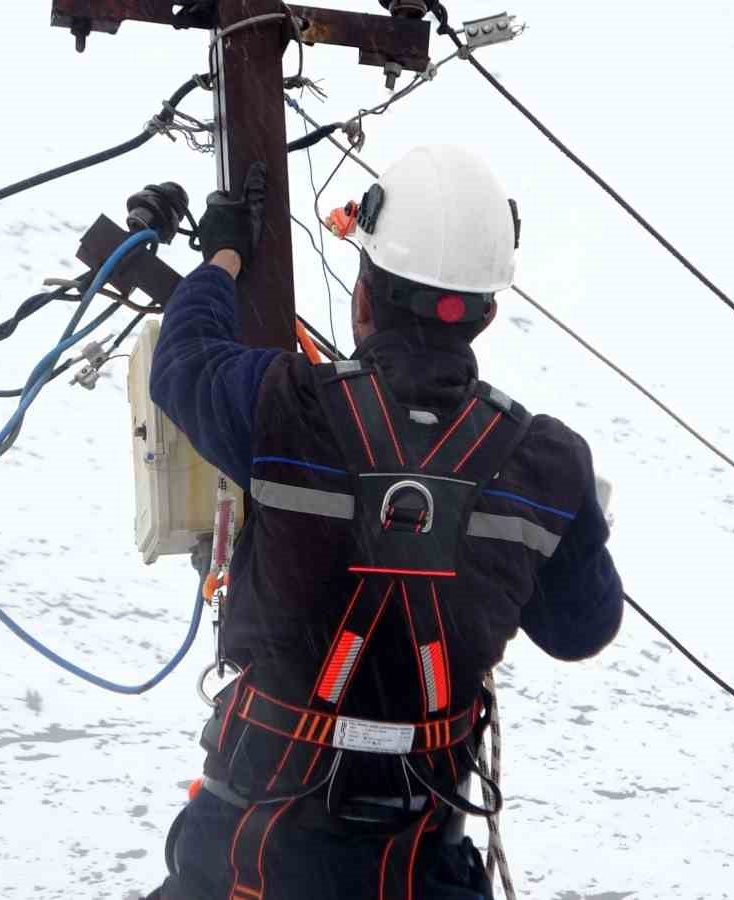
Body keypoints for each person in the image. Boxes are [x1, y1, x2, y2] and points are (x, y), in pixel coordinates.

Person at [146, 146, 623, 899]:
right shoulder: (546, 464)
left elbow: (182, 361)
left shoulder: (287, 407)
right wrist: (574, 525)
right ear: (487, 311)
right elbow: (581, 630)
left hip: (253, 855)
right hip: (420, 863)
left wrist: (224, 258)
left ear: (363, 296)